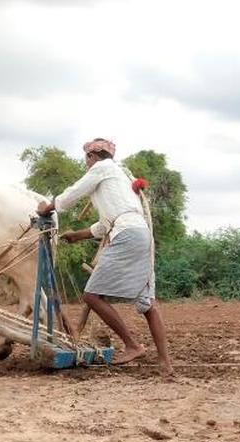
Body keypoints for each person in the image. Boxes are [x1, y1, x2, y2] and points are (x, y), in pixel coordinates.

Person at [36, 138, 173, 376]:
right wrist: (77, 235)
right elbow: (106, 223)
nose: (86, 163)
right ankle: (166, 364)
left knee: (91, 295)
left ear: (91, 157)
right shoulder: (119, 177)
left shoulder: (101, 169)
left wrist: (47, 208)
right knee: (148, 304)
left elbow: (71, 195)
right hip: (141, 235)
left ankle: (132, 345)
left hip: (127, 235)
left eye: (86, 159)